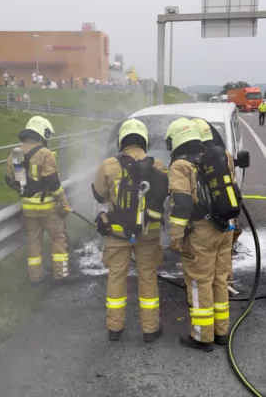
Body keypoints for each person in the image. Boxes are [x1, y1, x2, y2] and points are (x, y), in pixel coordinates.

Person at [92, 118, 168, 343]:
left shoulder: (108, 165)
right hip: (149, 232)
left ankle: (115, 329)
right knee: (148, 276)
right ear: (144, 140)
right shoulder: (158, 165)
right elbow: (165, 197)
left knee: (116, 276)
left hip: (118, 232)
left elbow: (99, 195)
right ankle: (150, 330)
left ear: (121, 140)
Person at [165, 117, 236, 352]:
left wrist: (175, 237)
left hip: (201, 233)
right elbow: (231, 190)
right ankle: (221, 331)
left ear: (175, 140)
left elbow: (181, 205)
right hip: (224, 228)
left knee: (199, 282)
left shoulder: (180, 166)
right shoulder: (220, 156)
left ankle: (202, 336)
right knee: (220, 279)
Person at [5, 116, 76, 285]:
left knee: (33, 240)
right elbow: (53, 183)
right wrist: (63, 202)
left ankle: (35, 276)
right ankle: (61, 274)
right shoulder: (45, 154)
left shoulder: (14, 154)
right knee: (58, 238)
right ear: (43, 133)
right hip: (48, 207)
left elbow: (9, 180)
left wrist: (25, 190)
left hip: (28, 208)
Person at [191, 118, 242, 285]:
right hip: (226, 221)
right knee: (222, 275)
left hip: (203, 225)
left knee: (201, 278)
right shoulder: (224, 154)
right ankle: (224, 300)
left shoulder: (191, 160)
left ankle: (204, 310)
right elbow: (231, 181)